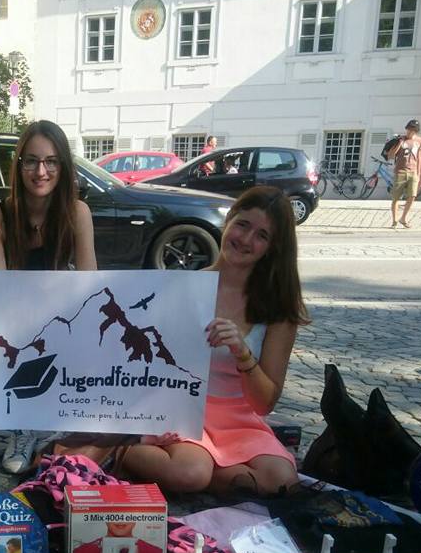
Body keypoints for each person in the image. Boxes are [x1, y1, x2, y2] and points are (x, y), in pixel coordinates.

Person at [122, 186, 308, 496]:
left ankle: (215, 469)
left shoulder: (278, 308)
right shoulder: (180, 287)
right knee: (189, 474)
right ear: (228, 221)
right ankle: (122, 450)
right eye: (243, 225)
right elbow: (144, 363)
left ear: (273, 248)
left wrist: (242, 353)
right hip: (183, 406)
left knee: (282, 480)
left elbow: (264, 403)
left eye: (262, 235)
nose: (246, 240)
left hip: (238, 416)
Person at [0, 120, 97, 474]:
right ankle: (25, 427)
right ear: (19, 164)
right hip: (18, 310)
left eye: (51, 162)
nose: (41, 171)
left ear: (63, 167)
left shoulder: (77, 212)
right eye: (32, 161)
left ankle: (58, 420)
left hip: (61, 305)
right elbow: (0, 283)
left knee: (92, 325)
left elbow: (89, 281)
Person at [386, 119, 421, 228]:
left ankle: (403, 218)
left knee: (412, 196)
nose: (408, 132)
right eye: (408, 129)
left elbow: (420, 157)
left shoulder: (420, 141)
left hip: (413, 172)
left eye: (411, 130)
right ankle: (394, 221)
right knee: (396, 197)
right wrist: (399, 143)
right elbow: (391, 155)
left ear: (415, 131)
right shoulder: (401, 140)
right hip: (400, 171)